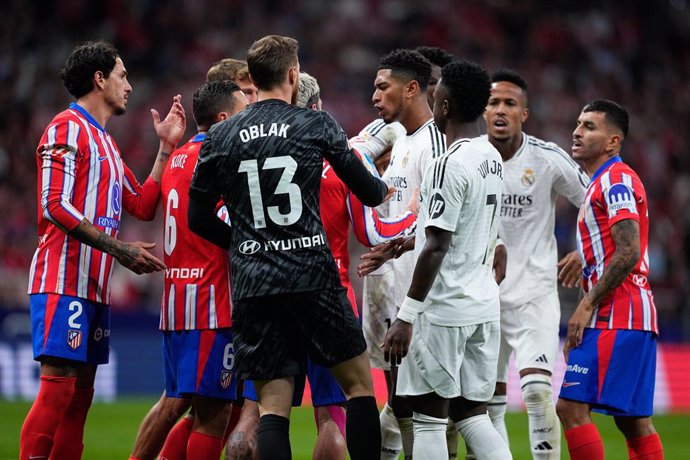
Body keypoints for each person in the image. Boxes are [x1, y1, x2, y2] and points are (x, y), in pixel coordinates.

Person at [188, 35, 389, 459]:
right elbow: (369, 194)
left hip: (255, 284)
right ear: (293, 75)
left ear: (253, 80)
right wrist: (386, 186)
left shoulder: (220, 135)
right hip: (314, 276)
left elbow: (197, 217)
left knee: (273, 410)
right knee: (357, 389)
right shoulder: (315, 124)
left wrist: (246, 242)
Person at [236, 71, 418, 460]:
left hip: (266, 291)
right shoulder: (338, 159)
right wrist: (414, 213)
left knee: (262, 415)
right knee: (336, 415)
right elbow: (374, 232)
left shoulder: (252, 156)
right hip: (326, 293)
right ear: (316, 107)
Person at [20, 40, 185, 460]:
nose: (129, 85)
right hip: (62, 281)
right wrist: (119, 249)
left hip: (93, 289)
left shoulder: (107, 145)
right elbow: (53, 204)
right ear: (99, 79)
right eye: (122, 75)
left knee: (80, 402)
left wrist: (165, 149)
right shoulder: (65, 127)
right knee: (57, 395)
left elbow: (143, 204)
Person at [382, 58, 511, 460]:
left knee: (428, 421)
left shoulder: (447, 163)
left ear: (445, 106)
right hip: (483, 305)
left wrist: (406, 315)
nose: (433, 103)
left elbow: (436, 245)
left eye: (436, 97)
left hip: (445, 310)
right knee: (473, 416)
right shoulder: (492, 157)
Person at [129, 80, 248, 460]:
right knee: (214, 413)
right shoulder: (221, 158)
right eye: (244, 112)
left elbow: (152, 207)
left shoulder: (178, 157)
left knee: (184, 403)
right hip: (212, 304)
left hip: (176, 302)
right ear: (225, 117)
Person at [482, 69, 589, 459]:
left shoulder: (547, 159)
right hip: (482, 300)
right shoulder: (470, 158)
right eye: (494, 102)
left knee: (539, 392)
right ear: (483, 110)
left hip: (534, 297)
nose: (500, 110)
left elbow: (597, 202)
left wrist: (584, 248)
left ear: (524, 113)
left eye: (510, 103)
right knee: (486, 403)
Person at [556, 99, 663, 460]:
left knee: (570, 409)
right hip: (634, 313)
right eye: (578, 123)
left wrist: (585, 304)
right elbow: (620, 241)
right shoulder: (600, 181)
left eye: (589, 126)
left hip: (616, 313)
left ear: (612, 141)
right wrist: (584, 255)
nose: (577, 131)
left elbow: (629, 249)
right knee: (633, 422)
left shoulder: (615, 180)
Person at [368, 48, 445, 459]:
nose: (375, 97)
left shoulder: (435, 146)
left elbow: (434, 229)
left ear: (412, 88)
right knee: (400, 402)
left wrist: (411, 313)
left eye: (383, 87)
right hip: (396, 292)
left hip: (422, 303)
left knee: (420, 408)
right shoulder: (401, 143)